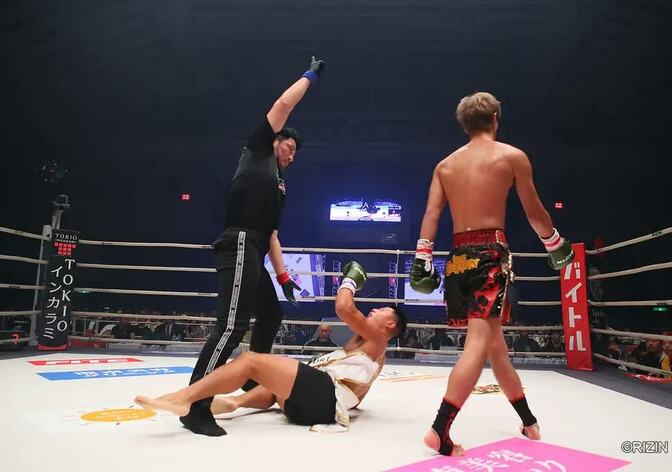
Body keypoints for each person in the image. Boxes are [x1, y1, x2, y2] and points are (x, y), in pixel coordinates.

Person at [409, 92, 574, 456]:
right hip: (489, 256)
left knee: (495, 346)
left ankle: (528, 422)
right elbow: (534, 211)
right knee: (478, 344)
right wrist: (554, 242)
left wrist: (423, 257)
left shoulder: (445, 166)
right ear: (496, 119)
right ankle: (439, 429)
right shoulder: (512, 156)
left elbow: (432, 214)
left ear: (464, 124)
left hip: (457, 259)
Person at [180, 57, 326, 436]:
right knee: (231, 326)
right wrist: (310, 75)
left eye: (295, 152)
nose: (292, 154)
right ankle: (195, 406)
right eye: (288, 146)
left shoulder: (280, 186)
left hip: (256, 249)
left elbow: (273, 234)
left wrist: (284, 277)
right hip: (240, 242)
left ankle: (250, 377)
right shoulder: (257, 151)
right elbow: (283, 104)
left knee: (271, 314)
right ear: (275, 141)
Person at [135, 262, 407, 432]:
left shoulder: (378, 339)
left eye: (382, 310)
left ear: (390, 325)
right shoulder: (372, 353)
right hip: (311, 407)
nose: (374, 310)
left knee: (251, 361)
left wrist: (350, 280)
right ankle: (234, 402)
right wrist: (348, 407)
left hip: (321, 397)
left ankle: (185, 398)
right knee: (272, 380)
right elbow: (359, 393)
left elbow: (344, 307)